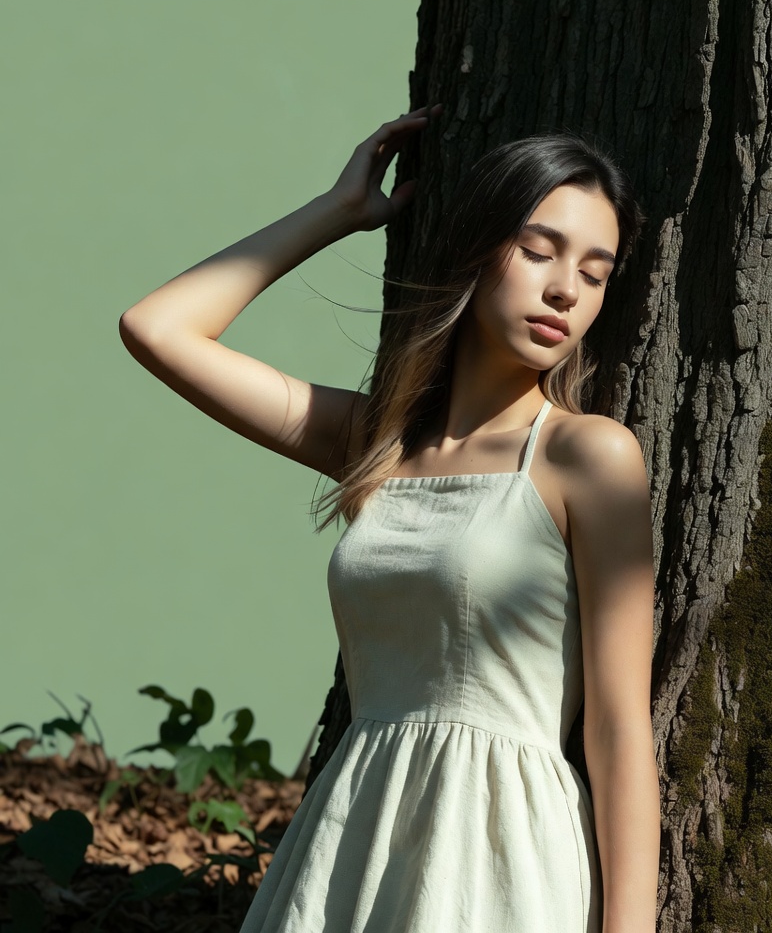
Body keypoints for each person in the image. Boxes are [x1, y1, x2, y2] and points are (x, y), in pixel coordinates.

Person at [119, 106, 661, 933]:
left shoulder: (586, 456)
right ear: (476, 249)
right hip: (353, 838)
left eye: (595, 273)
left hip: (499, 856)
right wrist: (339, 211)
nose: (565, 289)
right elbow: (158, 329)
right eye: (538, 250)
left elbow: (620, 732)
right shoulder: (375, 443)